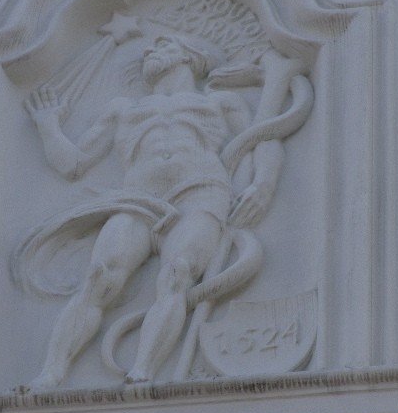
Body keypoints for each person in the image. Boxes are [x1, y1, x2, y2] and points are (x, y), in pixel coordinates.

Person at [24, 33, 289, 386]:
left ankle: (143, 374)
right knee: (100, 275)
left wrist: (264, 183)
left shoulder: (220, 102)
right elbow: (72, 164)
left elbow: (260, 141)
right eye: (151, 47)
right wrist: (48, 125)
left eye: (164, 45)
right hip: (138, 198)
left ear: (192, 56)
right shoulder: (123, 109)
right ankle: (51, 373)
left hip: (200, 192)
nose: (151, 50)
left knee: (177, 273)